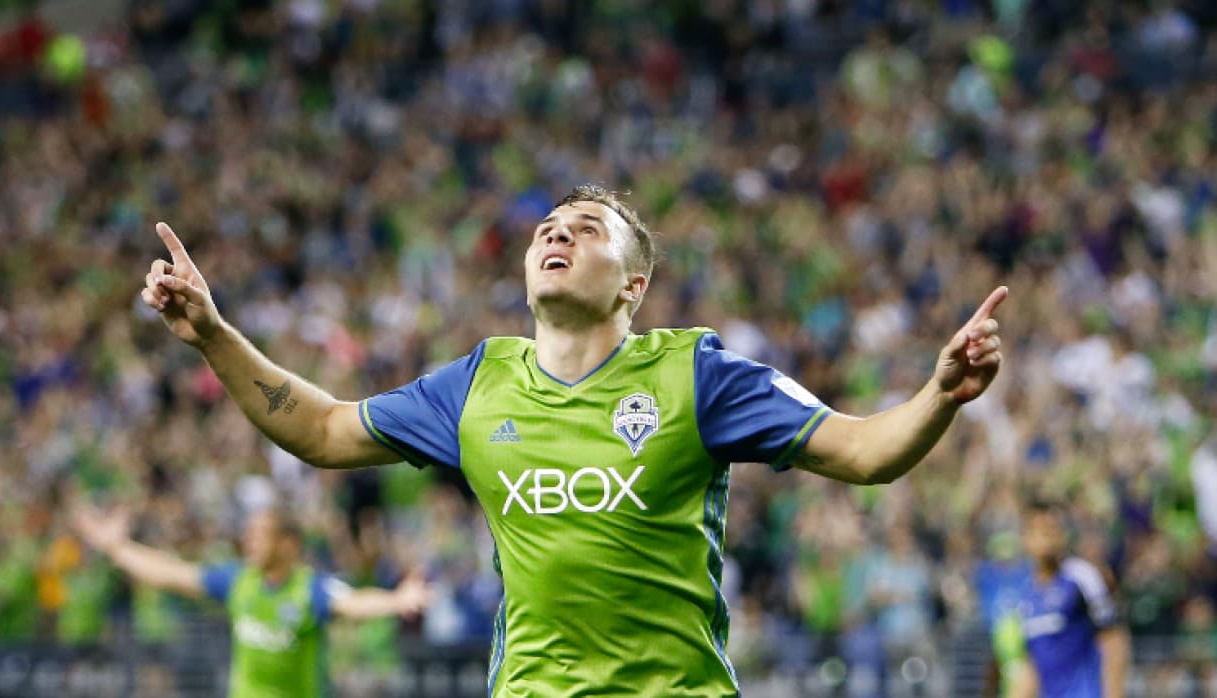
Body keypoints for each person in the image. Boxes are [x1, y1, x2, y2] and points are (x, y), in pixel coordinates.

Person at [139, 184, 1007, 696]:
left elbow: (862, 452)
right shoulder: (477, 383)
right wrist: (214, 334)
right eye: (547, 228)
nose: (557, 234)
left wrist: (937, 396)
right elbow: (324, 430)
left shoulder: (695, 374)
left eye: (586, 229)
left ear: (633, 285)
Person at [71, 504, 430, 698]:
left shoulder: (308, 589)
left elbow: (353, 602)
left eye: (260, 534)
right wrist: (116, 548)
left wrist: (397, 600)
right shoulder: (238, 581)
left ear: (288, 544)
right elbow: (170, 574)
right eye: (249, 534)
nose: (250, 541)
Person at [1009, 500, 1131, 698]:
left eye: (1051, 528)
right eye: (1038, 529)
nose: (1046, 535)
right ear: (1025, 538)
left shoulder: (1081, 576)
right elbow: (1032, 664)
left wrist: (1114, 693)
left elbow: (1113, 639)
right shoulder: (1025, 595)